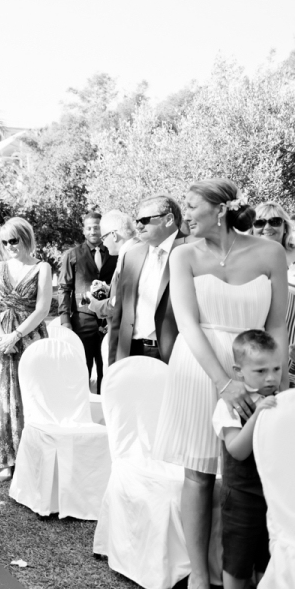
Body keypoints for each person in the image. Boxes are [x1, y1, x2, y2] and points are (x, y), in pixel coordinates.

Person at [152, 178, 288, 589]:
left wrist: (275, 379)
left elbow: (277, 326)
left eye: (192, 206)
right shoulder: (183, 255)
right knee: (198, 474)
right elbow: (187, 323)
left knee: (246, 475)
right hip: (198, 367)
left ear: (221, 210)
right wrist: (223, 382)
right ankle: (198, 574)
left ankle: (247, 573)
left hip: (255, 371)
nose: (186, 214)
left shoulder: (270, 253)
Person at [0, 217, 51, 477]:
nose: (9, 246)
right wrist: (1, 336)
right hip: (1, 338)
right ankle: (3, 458)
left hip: (29, 337)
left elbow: (42, 309)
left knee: (28, 394)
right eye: (4, 242)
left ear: (26, 237)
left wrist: (16, 335)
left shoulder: (42, 268)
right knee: (0, 394)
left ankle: (28, 456)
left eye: (14, 240)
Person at [212, 330, 280, 589]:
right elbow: (237, 450)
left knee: (269, 558)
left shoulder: (280, 401)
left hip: (272, 496)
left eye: (276, 368)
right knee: (237, 560)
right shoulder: (228, 406)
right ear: (239, 371)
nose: (271, 377)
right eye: (261, 371)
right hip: (241, 496)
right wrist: (258, 415)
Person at [105, 195, 185, 364]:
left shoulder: (193, 249)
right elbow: (119, 313)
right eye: (137, 221)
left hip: (176, 355)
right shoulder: (131, 255)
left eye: (145, 220)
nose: (138, 226)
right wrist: (113, 363)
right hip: (131, 353)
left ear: (169, 219)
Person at [58, 210, 117, 392]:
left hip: (110, 318)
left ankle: (104, 403)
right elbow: (64, 288)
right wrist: (65, 320)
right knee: (82, 368)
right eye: (89, 228)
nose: (93, 231)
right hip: (83, 319)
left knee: (107, 368)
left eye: (97, 227)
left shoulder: (115, 252)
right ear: (84, 230)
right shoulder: (72, 255)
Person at [249, 202, 295, 381]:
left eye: (275, 221)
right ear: (252, 228)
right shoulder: (242, 259)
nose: (267, 227)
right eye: (259, 222)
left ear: (285, 227)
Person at [86, 209, 136, 320]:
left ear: (113, 235)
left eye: (103, 238)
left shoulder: (131, 257)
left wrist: (94, 304)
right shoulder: (131, 252)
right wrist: (109, 289)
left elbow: (118, 304)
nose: (103, 243)